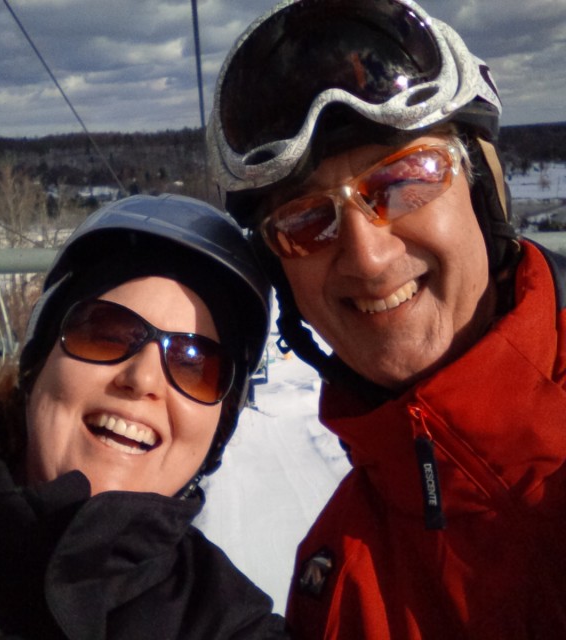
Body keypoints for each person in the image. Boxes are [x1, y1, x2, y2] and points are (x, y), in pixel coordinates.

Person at [207, 0, 566, 637]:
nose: (368, 260)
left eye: (403, 181)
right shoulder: (340, 586)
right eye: (305, 223)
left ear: (482, 191)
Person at [0, 193, 289, 639]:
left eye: (195, 364)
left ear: (218, 430)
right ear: (38, 364)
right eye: (107, 333)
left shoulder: (227, 624)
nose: (143, 380)